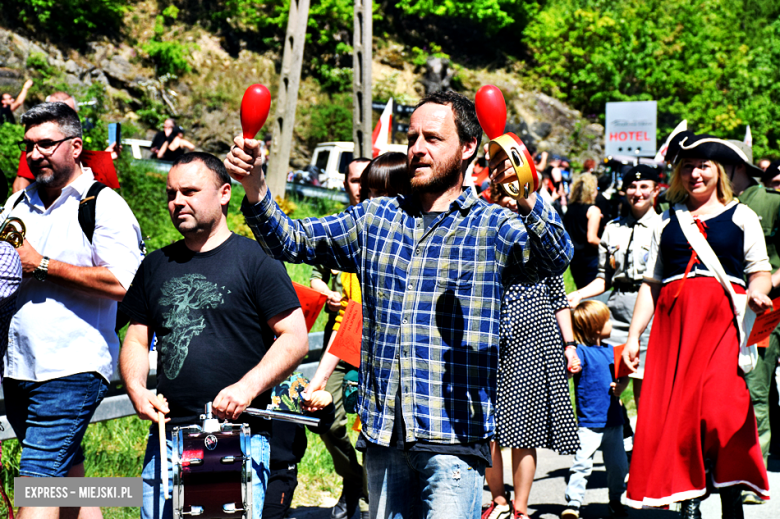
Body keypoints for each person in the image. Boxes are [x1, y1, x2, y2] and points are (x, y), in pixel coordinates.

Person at [225, 89, 573, 519]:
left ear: (468, 149)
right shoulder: (375, 218)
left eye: (433, 138)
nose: (417, 149)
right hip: (383, 434)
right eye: (412, 138)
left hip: (454, 438)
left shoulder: (493, 225)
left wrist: (529, 196)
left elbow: (555, 257)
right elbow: (291, 239)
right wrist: (255, 186)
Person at [118, 152, 309, 519]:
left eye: (190, 191)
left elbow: (295, 337)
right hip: (168, 439)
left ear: (224, 193)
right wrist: (137, 391)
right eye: (172, 194)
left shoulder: (258, 258)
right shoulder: (156, 264)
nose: (177, 202)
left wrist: (246, 388)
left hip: (241, 440)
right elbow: (137, 339)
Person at [1, 102, 144, 519]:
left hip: (71, 368)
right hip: (19, 368)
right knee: (69, 485)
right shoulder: (15, 205)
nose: (35, 154)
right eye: (29, 145)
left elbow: (126, 283)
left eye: (46, 144)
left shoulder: (103, 204)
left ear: (76, 146)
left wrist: (42, 265)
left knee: (37, 485)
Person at [623, 134, 772, 518]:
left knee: (724, 412)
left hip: (722, 325)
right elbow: (651, 286)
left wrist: (757, 293)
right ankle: (689, 500)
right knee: (681, 416)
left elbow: (760, 272)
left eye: (703, 165)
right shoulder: (666, 222)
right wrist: (635, 336)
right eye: (687, 166)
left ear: (718, 171)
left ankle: (730, 497)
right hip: (674, 331)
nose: (694, 173)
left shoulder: (743, 216)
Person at [482, 187, 581, 519]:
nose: (507, 201)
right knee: (489, 427)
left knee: (524, 429)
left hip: (535, 344)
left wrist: (569, 346)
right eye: (499, 195)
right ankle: (497, 499)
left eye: (513, 196)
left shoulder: (542, 244)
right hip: (489, 343)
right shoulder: (484, 239)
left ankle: (520, 509)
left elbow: (559, 299)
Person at [308, 156, 371, 519]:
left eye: (366, 180)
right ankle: (356, 481)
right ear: (344, 184)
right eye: (352, 180)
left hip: (376, 339)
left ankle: (363, 494)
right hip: (339, 336)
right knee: (326, 418)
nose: (359, 186)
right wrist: (324, 291)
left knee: (373, 425)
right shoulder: (337, 229)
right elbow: (316, 272)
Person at [717, 139, 780, 504]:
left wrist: (767, 281)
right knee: (752, 384)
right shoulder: (715, 205)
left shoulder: (770, 202)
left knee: (757, 388)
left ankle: (752, 476)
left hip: (767, 307)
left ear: (738, 166)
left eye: (719, 162)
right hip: (733, 310)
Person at [568, 165, 662, 404]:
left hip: (650, 312)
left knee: (645, 387)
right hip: (617, 312)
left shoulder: (664, 227)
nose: (637, 192)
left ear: (655, 190)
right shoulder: (612, 229)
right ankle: (620, 437)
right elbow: (604, 277)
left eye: (644, 187)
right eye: (632, 187)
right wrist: (579, 294)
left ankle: (644, 439)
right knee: (611, 384)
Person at [562, 300, 629, 519]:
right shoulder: (580, 352)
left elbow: (624, 378)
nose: (611, 324)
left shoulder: (612, 352)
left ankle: (616, 501)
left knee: (618, 467)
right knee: (582, 464)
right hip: (589, 423)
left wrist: (621, 387)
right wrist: (571, 368)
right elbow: (570, 371)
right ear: (597, 328)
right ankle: (574, 504)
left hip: (614, 421)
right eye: (607, 320)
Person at [564, 174, 602, 288]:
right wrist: (609, 248)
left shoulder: (570, 208)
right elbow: (591, 238)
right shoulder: (593, 210)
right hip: (590, 259)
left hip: (575, 259)